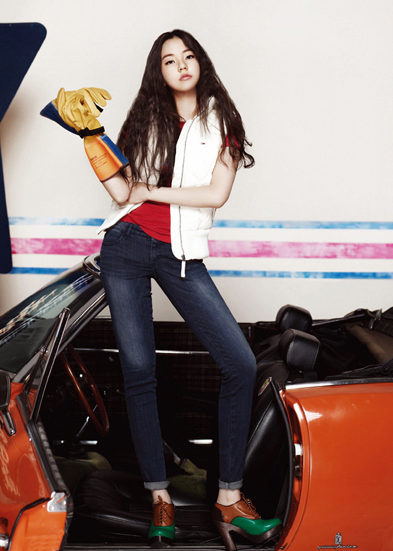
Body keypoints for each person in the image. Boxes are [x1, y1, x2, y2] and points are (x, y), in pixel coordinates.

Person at [98, 29, 281, 550]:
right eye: (168, 60)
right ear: (158, 71)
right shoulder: (144, 117)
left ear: (201, 63)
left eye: (188, 56)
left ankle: (229, 496)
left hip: (179, 254)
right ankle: (159, 498)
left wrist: (152, 190)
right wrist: (91, 141)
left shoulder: (224, 121)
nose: (180, 65)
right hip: (125, 246)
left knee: (239, 363)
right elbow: (122, 191)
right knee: (139, 371)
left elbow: (216, 194)